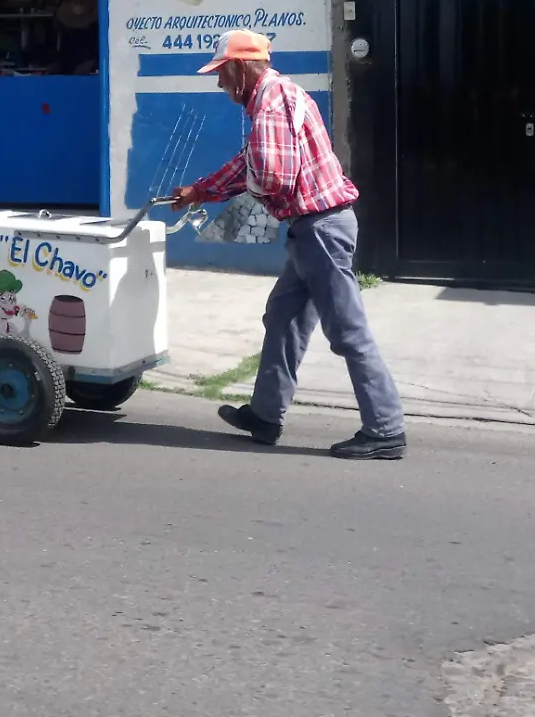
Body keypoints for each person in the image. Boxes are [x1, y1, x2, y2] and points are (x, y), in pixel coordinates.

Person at [171, 30, 407, 460]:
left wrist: (246, 212)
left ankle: (385, 428)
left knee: (347, 331)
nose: (220, 85)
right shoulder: (278, 95)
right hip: (313, 228)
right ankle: (264, 415)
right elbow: (252, 164)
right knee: (283, 317)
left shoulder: (271, 103)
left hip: (319, 229)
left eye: (222, 74)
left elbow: (275, 177)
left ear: (241, 68)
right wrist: (201, 191)